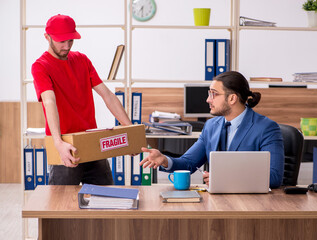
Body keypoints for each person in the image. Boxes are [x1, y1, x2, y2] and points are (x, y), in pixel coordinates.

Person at [32, 14, 132, 185]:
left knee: (107, 200)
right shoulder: (41, 66)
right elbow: (49, 102)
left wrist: (130, 130)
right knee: (61, 207)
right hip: (66, 145)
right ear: (47, 37)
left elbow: (107, 95)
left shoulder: (82, 60)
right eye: (61, 41)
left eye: (70, 41)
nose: (66, 46)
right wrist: (58, 143)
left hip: (91, 142)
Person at [140, 71, 284, 188]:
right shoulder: (211, 126)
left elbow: (274, 177)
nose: (208, 100)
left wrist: (225, 177)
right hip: (217, 202)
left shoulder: (266, 128)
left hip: (250, 205)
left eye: (213, 94)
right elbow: (188, 163)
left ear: (232, 98)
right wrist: (165, 160)